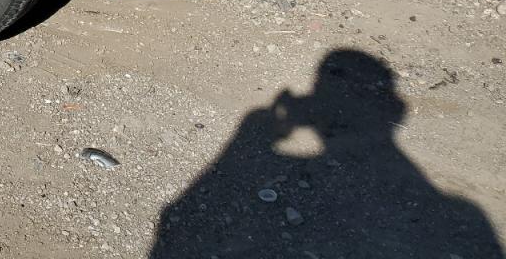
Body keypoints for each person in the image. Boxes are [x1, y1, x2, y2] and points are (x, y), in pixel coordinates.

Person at [150, 49, 503, 258]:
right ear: (396, 108)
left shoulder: (466, 215)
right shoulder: (467, 215)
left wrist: (255, 131)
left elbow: (179, 211)